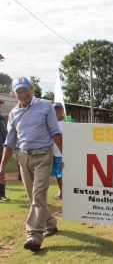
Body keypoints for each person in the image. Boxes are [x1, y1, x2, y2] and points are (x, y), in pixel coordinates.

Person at [0, 77, 62, 252]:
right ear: (14, 93)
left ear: (31, 89)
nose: (23, 94)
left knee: (38, 194)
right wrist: (2, 166)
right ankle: (50, 223)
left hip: (43, 155)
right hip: (23, 157)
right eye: (19, 91)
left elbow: (55, 131)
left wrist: (65, 155)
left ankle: (34, 235)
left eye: (25, 90)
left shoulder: (45, 106)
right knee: (32, 197)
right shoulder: (13, 114)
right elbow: (10, 141)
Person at [51, 102, 64, 200]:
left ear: (62, 110)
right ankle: (61, 191)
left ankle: (66, 191)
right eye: (55, 109)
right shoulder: (50, 123)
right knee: (58, 174)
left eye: (58, 109)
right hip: (54, 153)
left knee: (65, 174)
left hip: (65, 153)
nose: (57, 111)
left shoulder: (69, 122)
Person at [0, 99, 9, 201]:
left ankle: (2, 194)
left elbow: (5, 135)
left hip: (1, 150)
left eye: (0, 105)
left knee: (1, 172)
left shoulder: (2, 119)